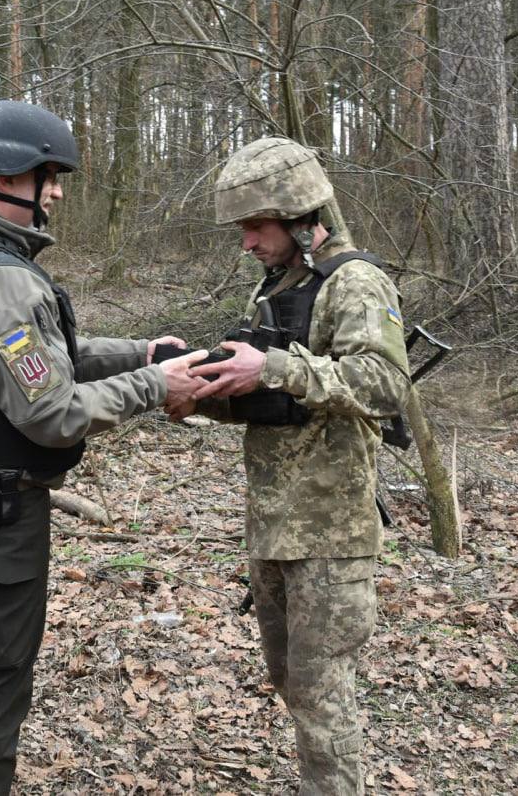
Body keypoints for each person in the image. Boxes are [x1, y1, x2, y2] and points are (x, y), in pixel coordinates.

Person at [0, 100, 207, 796]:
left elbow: (44, 357)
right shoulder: (0, 280)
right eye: (48, 175)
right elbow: (54, 413)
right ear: (8, 176)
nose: (58, 192)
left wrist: (142, 352)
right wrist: (157, 385)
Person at [170, 137, 411, 795]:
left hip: (330, 534)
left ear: (302, 216)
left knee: (321, 693)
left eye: (256, 226)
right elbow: (277, 405)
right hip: (275, 526)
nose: (246, 242)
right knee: (290, 681)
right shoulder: (281, 287)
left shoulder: (355, 282)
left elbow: (386, 383)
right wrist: (199, 396)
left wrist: (271, 365)